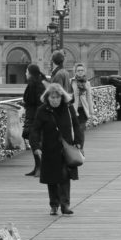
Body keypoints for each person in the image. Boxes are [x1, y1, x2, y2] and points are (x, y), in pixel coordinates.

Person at [29, 82, 84, 216]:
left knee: (65, 176)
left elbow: (76, 126)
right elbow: (35, 130)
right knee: (52, 178)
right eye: (52, 98)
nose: (55, 100)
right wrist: (36, 146)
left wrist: (78, 142)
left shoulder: (68, 108)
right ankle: (54, 204)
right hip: (49, 148)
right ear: (47, 98)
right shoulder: (42, 110)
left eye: (57, 97)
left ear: (62, 97)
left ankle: (65, 205)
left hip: (66, 148)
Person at [22, 63, 48, 176]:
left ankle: (40, 168)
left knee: (35, 142)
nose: (25, 73)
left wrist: (26, 104)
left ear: (31, 73)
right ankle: (38, 167)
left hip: (35, 118)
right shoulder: (38, 83)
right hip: (34, 116)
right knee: (35, 142)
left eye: (27, 72)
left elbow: (38, 102)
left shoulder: (35, 85)